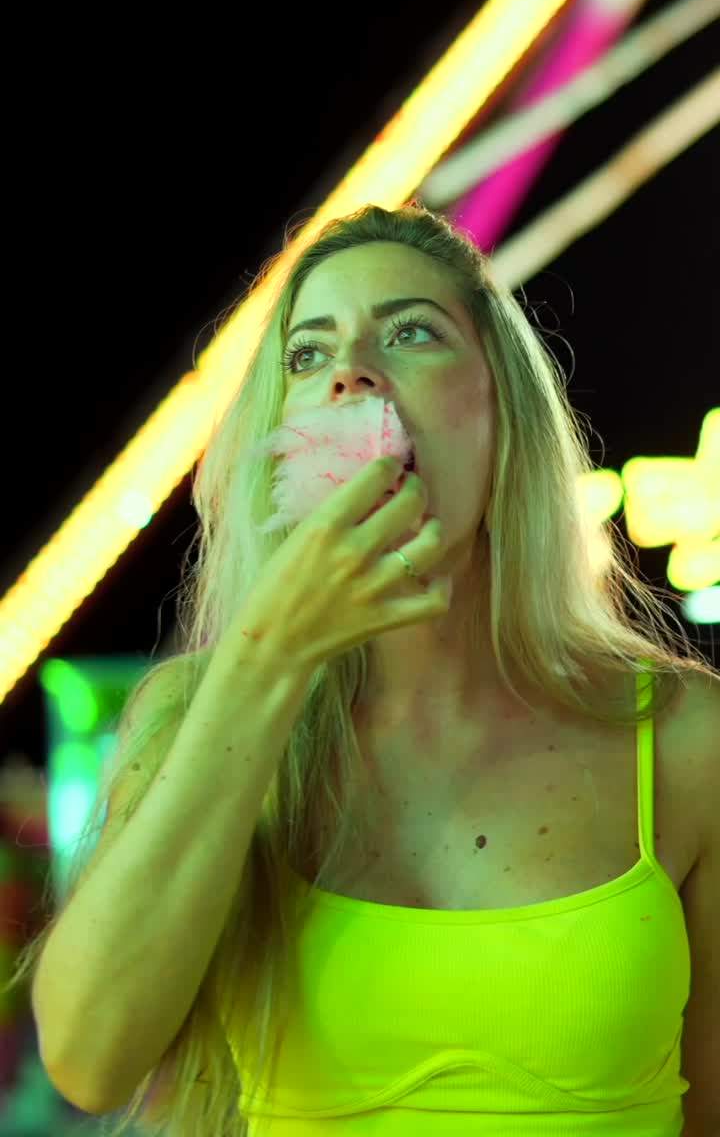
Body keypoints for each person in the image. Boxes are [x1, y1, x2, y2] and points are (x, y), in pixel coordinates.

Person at [9, 203, 718, 1135]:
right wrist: (270, 658)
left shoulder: (682, 737)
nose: (351, 370)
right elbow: (89, 1059)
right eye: (309, 355)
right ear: (280, 437)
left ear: (499, 412)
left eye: (412, 332)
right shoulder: (194, 714)